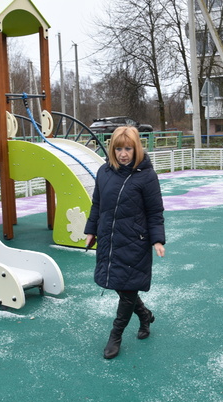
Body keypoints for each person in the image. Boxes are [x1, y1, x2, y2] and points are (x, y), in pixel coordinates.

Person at [84, 126, 166, 360]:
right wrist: (91, 230)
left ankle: (115, 336)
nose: (123, 154)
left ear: (136, 148)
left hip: (134, 241)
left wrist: (157, 239)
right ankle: (145, 315)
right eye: (118, 148)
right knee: (122, 286)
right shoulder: (104, 172)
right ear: (112, 149)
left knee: (128, 289)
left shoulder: (146, 176)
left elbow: (154, 211)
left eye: (128, 148)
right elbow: (97, 204)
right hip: (109, 239)